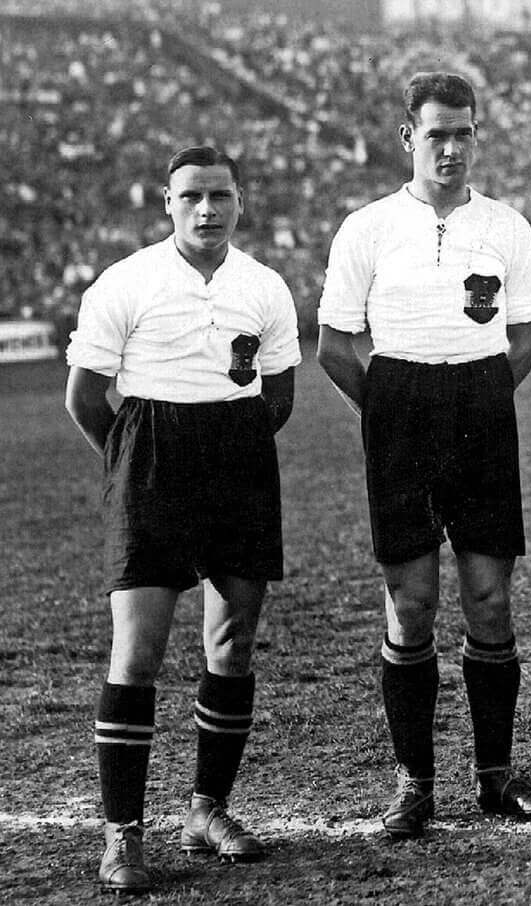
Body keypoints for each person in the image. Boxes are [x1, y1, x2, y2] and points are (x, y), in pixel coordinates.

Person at [316, 72, 531, 838]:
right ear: (407, 137)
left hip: (481, 406)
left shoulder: (507, 225)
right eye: (435, 134)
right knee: (412, 601)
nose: (450, 148)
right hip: (400, 406)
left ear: (476, 135)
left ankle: (495, 775)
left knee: (489, 597)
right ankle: (414, 783)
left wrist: (477, 402)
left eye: (463, 133)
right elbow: (333, 346)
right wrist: (390, 413)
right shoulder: (367, 227)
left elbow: (525, 339)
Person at [65, 146, 299, 894]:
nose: (207, 209)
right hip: (150, 461)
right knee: (137, 652)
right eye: (192, 196)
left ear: (240, 201)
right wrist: (133, 467)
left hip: (239, 459)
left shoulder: (263, 285)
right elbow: (84, 396)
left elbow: (279, 394)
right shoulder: (126, 281)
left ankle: (207, 810)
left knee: (232, 643)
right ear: (167, 203)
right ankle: (123, 833)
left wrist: (231, 449)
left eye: (220, 195)